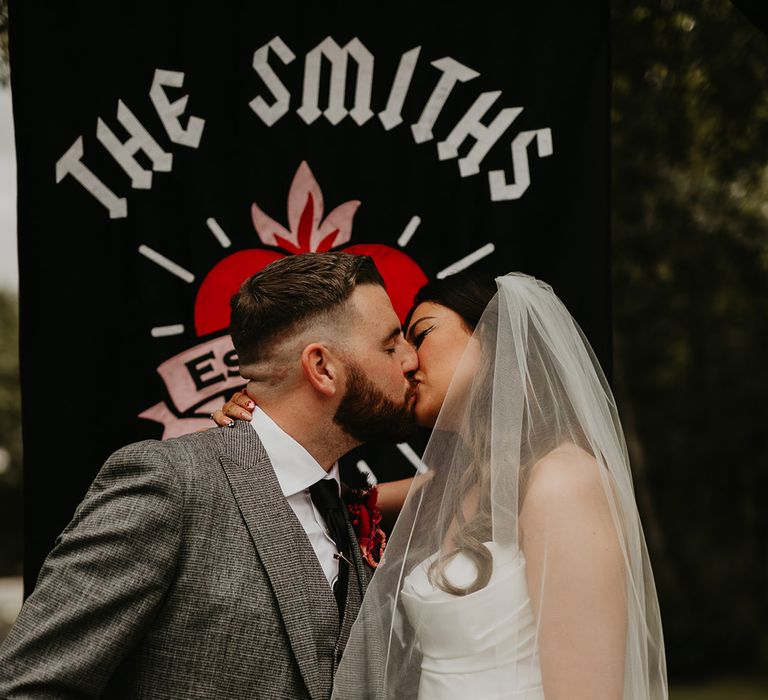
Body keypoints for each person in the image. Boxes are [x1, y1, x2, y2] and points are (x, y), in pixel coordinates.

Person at [218, 270, 668, 699]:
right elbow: (321, 500)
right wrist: (265, 421)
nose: (408, 360)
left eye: (423, 335)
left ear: (494, 337)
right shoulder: (448, 485)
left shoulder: (563, 480)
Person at [0, 252, 418, 699]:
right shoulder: (169, 483)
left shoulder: (340, 504)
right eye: (390, 346)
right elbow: (35, 686)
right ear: (321, 368)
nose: (411, 360)